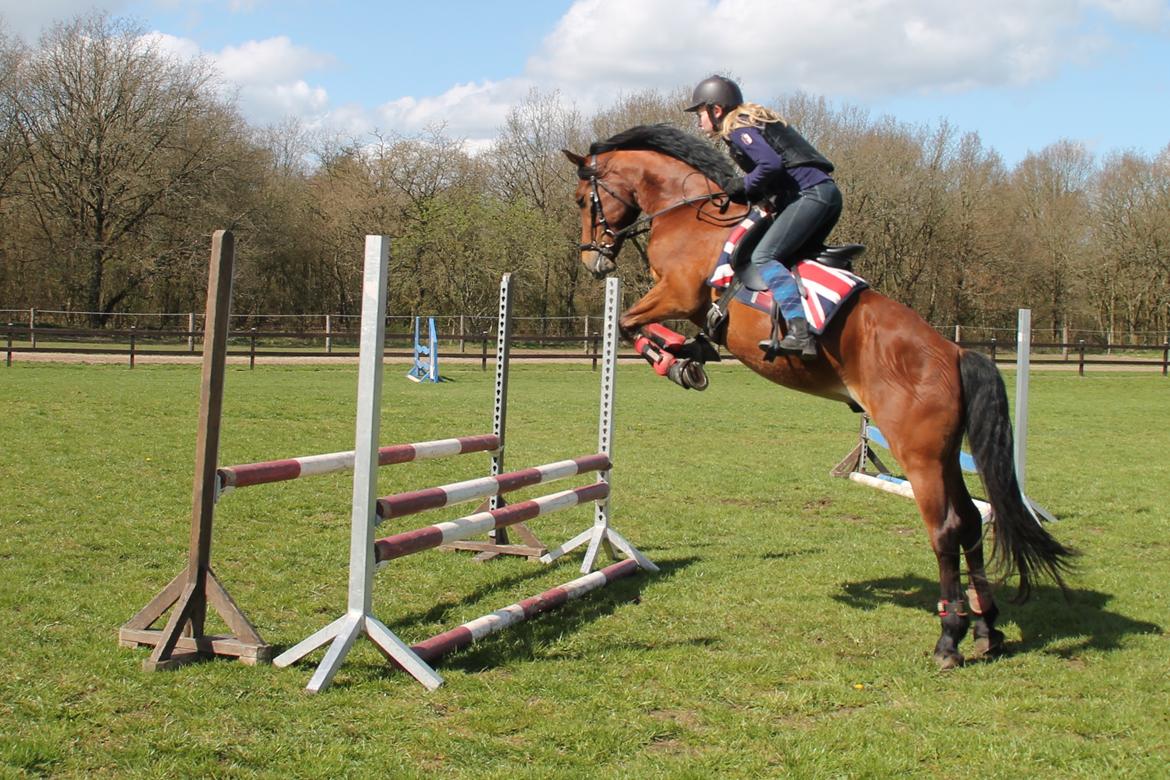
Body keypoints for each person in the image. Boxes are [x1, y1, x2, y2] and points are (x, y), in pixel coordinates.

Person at [685, 75, 842, 360]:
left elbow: (770, 163)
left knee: (763, 257)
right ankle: (809, 330)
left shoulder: (737, 126)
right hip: (823, 195)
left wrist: (743, 185)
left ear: (716, 110)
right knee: (787, 260)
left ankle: (800, 332)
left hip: (811, 196)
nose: (699, 121)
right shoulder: (749, 123)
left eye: (700, 113)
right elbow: (778, 172)